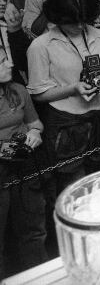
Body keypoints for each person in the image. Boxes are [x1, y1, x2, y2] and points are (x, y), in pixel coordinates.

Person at [26, 0, 100, 191]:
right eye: (72, 21)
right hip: (65, 124)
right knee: (76, 189)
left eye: (83, 20)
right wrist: (73, 89)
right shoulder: (41, 46)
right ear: (58, 17)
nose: (79, 25)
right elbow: (38, 94)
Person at [0, 67, 47, 279]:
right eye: (0, 61)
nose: (8, 64)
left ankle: (43, 278)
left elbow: (35, 123)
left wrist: (35, 133)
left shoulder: (17, 90)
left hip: (24, 165)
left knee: (34, 230)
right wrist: (8, 150)